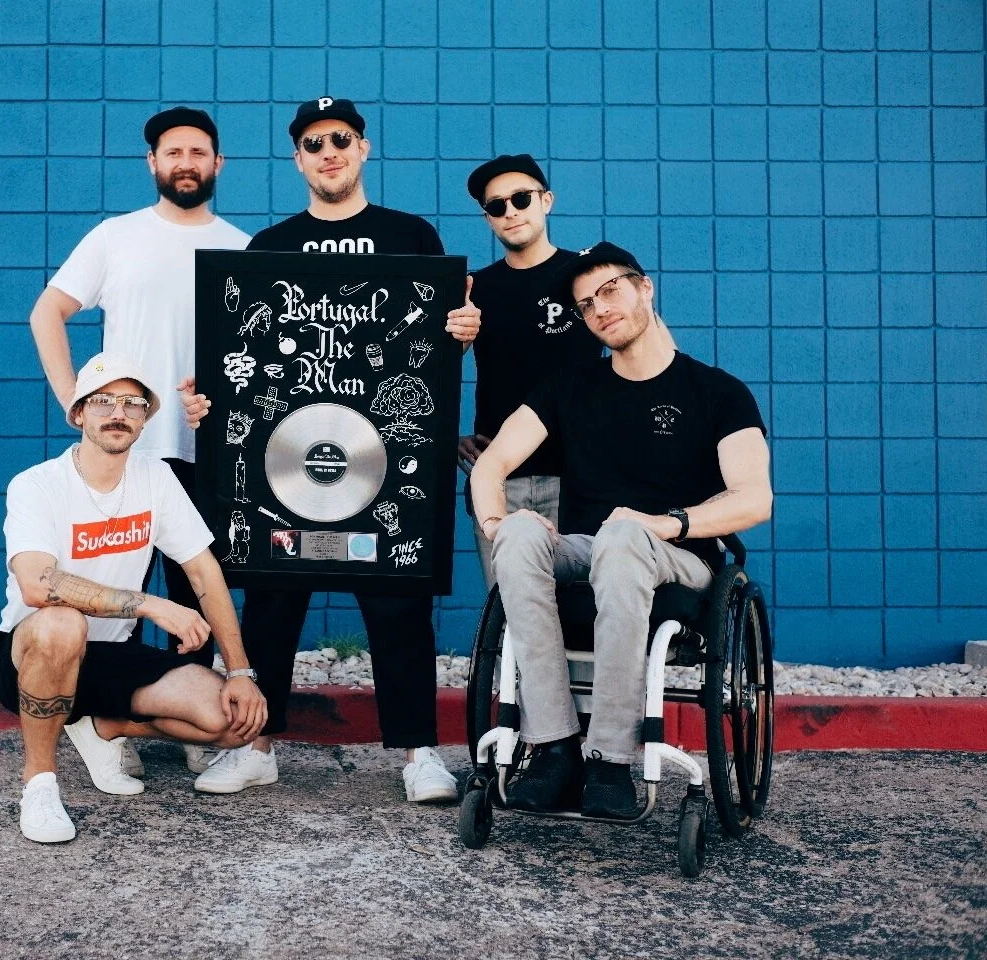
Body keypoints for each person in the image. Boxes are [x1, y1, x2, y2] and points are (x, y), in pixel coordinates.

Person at [179, 96, 481, 803]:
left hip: (381, 458)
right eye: (313, 143)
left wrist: (465, 326)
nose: (328, 152)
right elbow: (241, 359)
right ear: (298, 159)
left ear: (364, 148)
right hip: (290, 458)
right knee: (272, 594)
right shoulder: (269, 247)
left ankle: (418, 755)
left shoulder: (412, 236)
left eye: (340, 138)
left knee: (398, 600)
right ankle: (256, 744)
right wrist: (207, 402)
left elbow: (440, 335)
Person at [469, 242, 772, 818]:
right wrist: (496, 522)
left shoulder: (717, 392)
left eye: (610, 290)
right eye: (585, 304)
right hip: (591, 549)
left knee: (624, 536)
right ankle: (554, 747)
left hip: (679, 554)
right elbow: (491, 465)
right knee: (520, 536)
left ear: (644, 287)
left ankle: (608, 759)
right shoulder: (569, 387)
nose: (600, 309)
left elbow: (755, 498)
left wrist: (668, 523)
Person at [27, 107, 249, 774]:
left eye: (199, 151)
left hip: (206, 448)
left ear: (218, 165)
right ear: (152, 163)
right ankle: (99, 721)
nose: (186, 161)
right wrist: (74, 396)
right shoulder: (116, 236)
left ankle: (184, 725)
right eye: (173, 151)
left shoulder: (240, 248)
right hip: (123, 449)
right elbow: (48, 311)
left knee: (194, 587)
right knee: (104, 588)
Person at [0, 352, 267, 843]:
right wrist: (151, 604)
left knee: (233, 721)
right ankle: (40, 785)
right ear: (78, 413)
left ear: (146, 418)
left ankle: (104, 725)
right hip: (29, 654)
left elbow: (203, 570)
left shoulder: (155, 477)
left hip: (110, 653)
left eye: (133, 404)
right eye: (104, 401)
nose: (119, 413)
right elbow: (38, 584)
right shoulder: (37, 485)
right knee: (61, 623)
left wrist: (240, 672)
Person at [458, 154, 603, 586]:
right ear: (488, 219)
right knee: (511, 623)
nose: (511, 211)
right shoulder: (473, 288)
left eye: (521, 198)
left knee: (584, 619)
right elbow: (420, 375)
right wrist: (447, 436)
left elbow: (640, 356)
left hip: (578, 477)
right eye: (497, 205)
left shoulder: (586, 276)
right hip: (500, 479)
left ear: (547, 201)